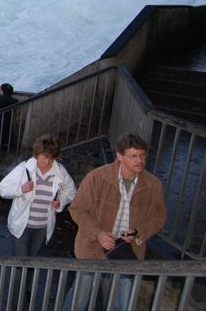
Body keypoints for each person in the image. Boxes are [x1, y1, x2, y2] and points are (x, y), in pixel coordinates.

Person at [63, 133, 167, 311]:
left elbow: (159, 217)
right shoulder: (96, 177)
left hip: (128, 252)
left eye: (142, 155)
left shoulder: (153, 184)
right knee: (79, 301)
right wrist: (98, 233)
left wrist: (138, 232)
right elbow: (77, 209)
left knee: (123, 305)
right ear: (119, 156)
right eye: (133, 156)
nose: (139, 160)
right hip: (92, 250)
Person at [0, 134, 77, 257]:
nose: (48, 162)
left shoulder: (59, 171)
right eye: (45, 157)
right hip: (23, 226)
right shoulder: (24, 169)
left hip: (43, 227)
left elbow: (71, 191)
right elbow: (2, 189)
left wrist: (60, 201)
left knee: (32, 262)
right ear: (37, 153)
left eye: (52, 158)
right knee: (20, 264)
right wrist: (21, 189)